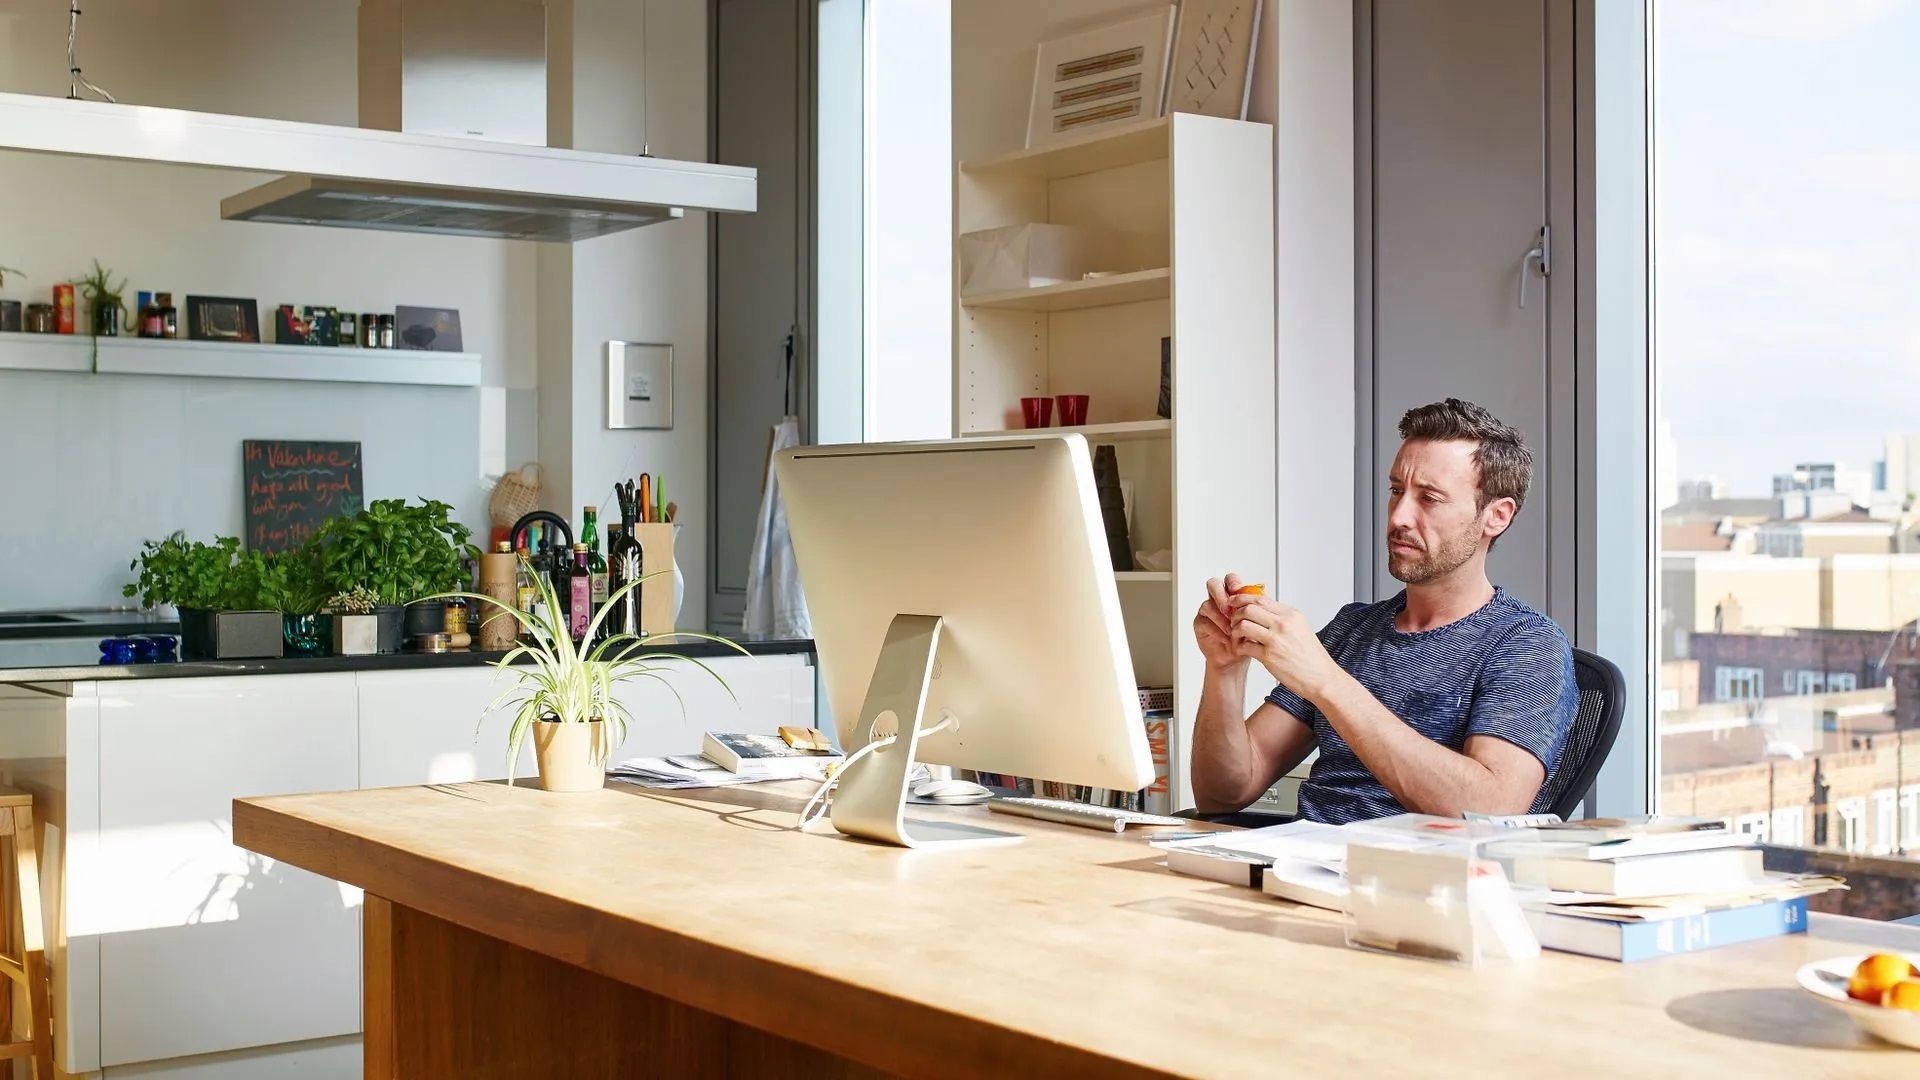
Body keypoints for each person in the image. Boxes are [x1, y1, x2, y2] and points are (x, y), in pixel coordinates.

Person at [1191, 398, 1577, 824]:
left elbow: (1487, 808)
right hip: (1303, 867)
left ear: (1496, 517)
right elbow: (1223, 793)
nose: (1399, 517)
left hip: (1412, 881)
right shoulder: (1353, 629)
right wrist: (1225, 671)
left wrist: (1326, 682)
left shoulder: (1526, 644)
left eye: (1429, 498)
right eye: (1397, 491)